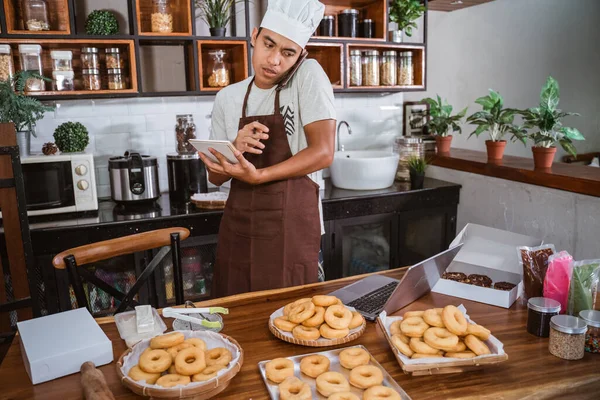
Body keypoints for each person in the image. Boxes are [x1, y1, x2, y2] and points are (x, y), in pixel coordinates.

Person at [199, 0, 336, 297]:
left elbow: (324, 151)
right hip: (240, 228)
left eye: (287, 53)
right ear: (254, 36)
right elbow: (215, 178)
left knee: (295, 321)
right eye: (268, 44)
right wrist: (235, 147)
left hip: (293, 230)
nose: (274, 60)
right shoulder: (228, 97)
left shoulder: (306, 76)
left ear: (302, 54)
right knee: (237, 318)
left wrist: (259, 176)